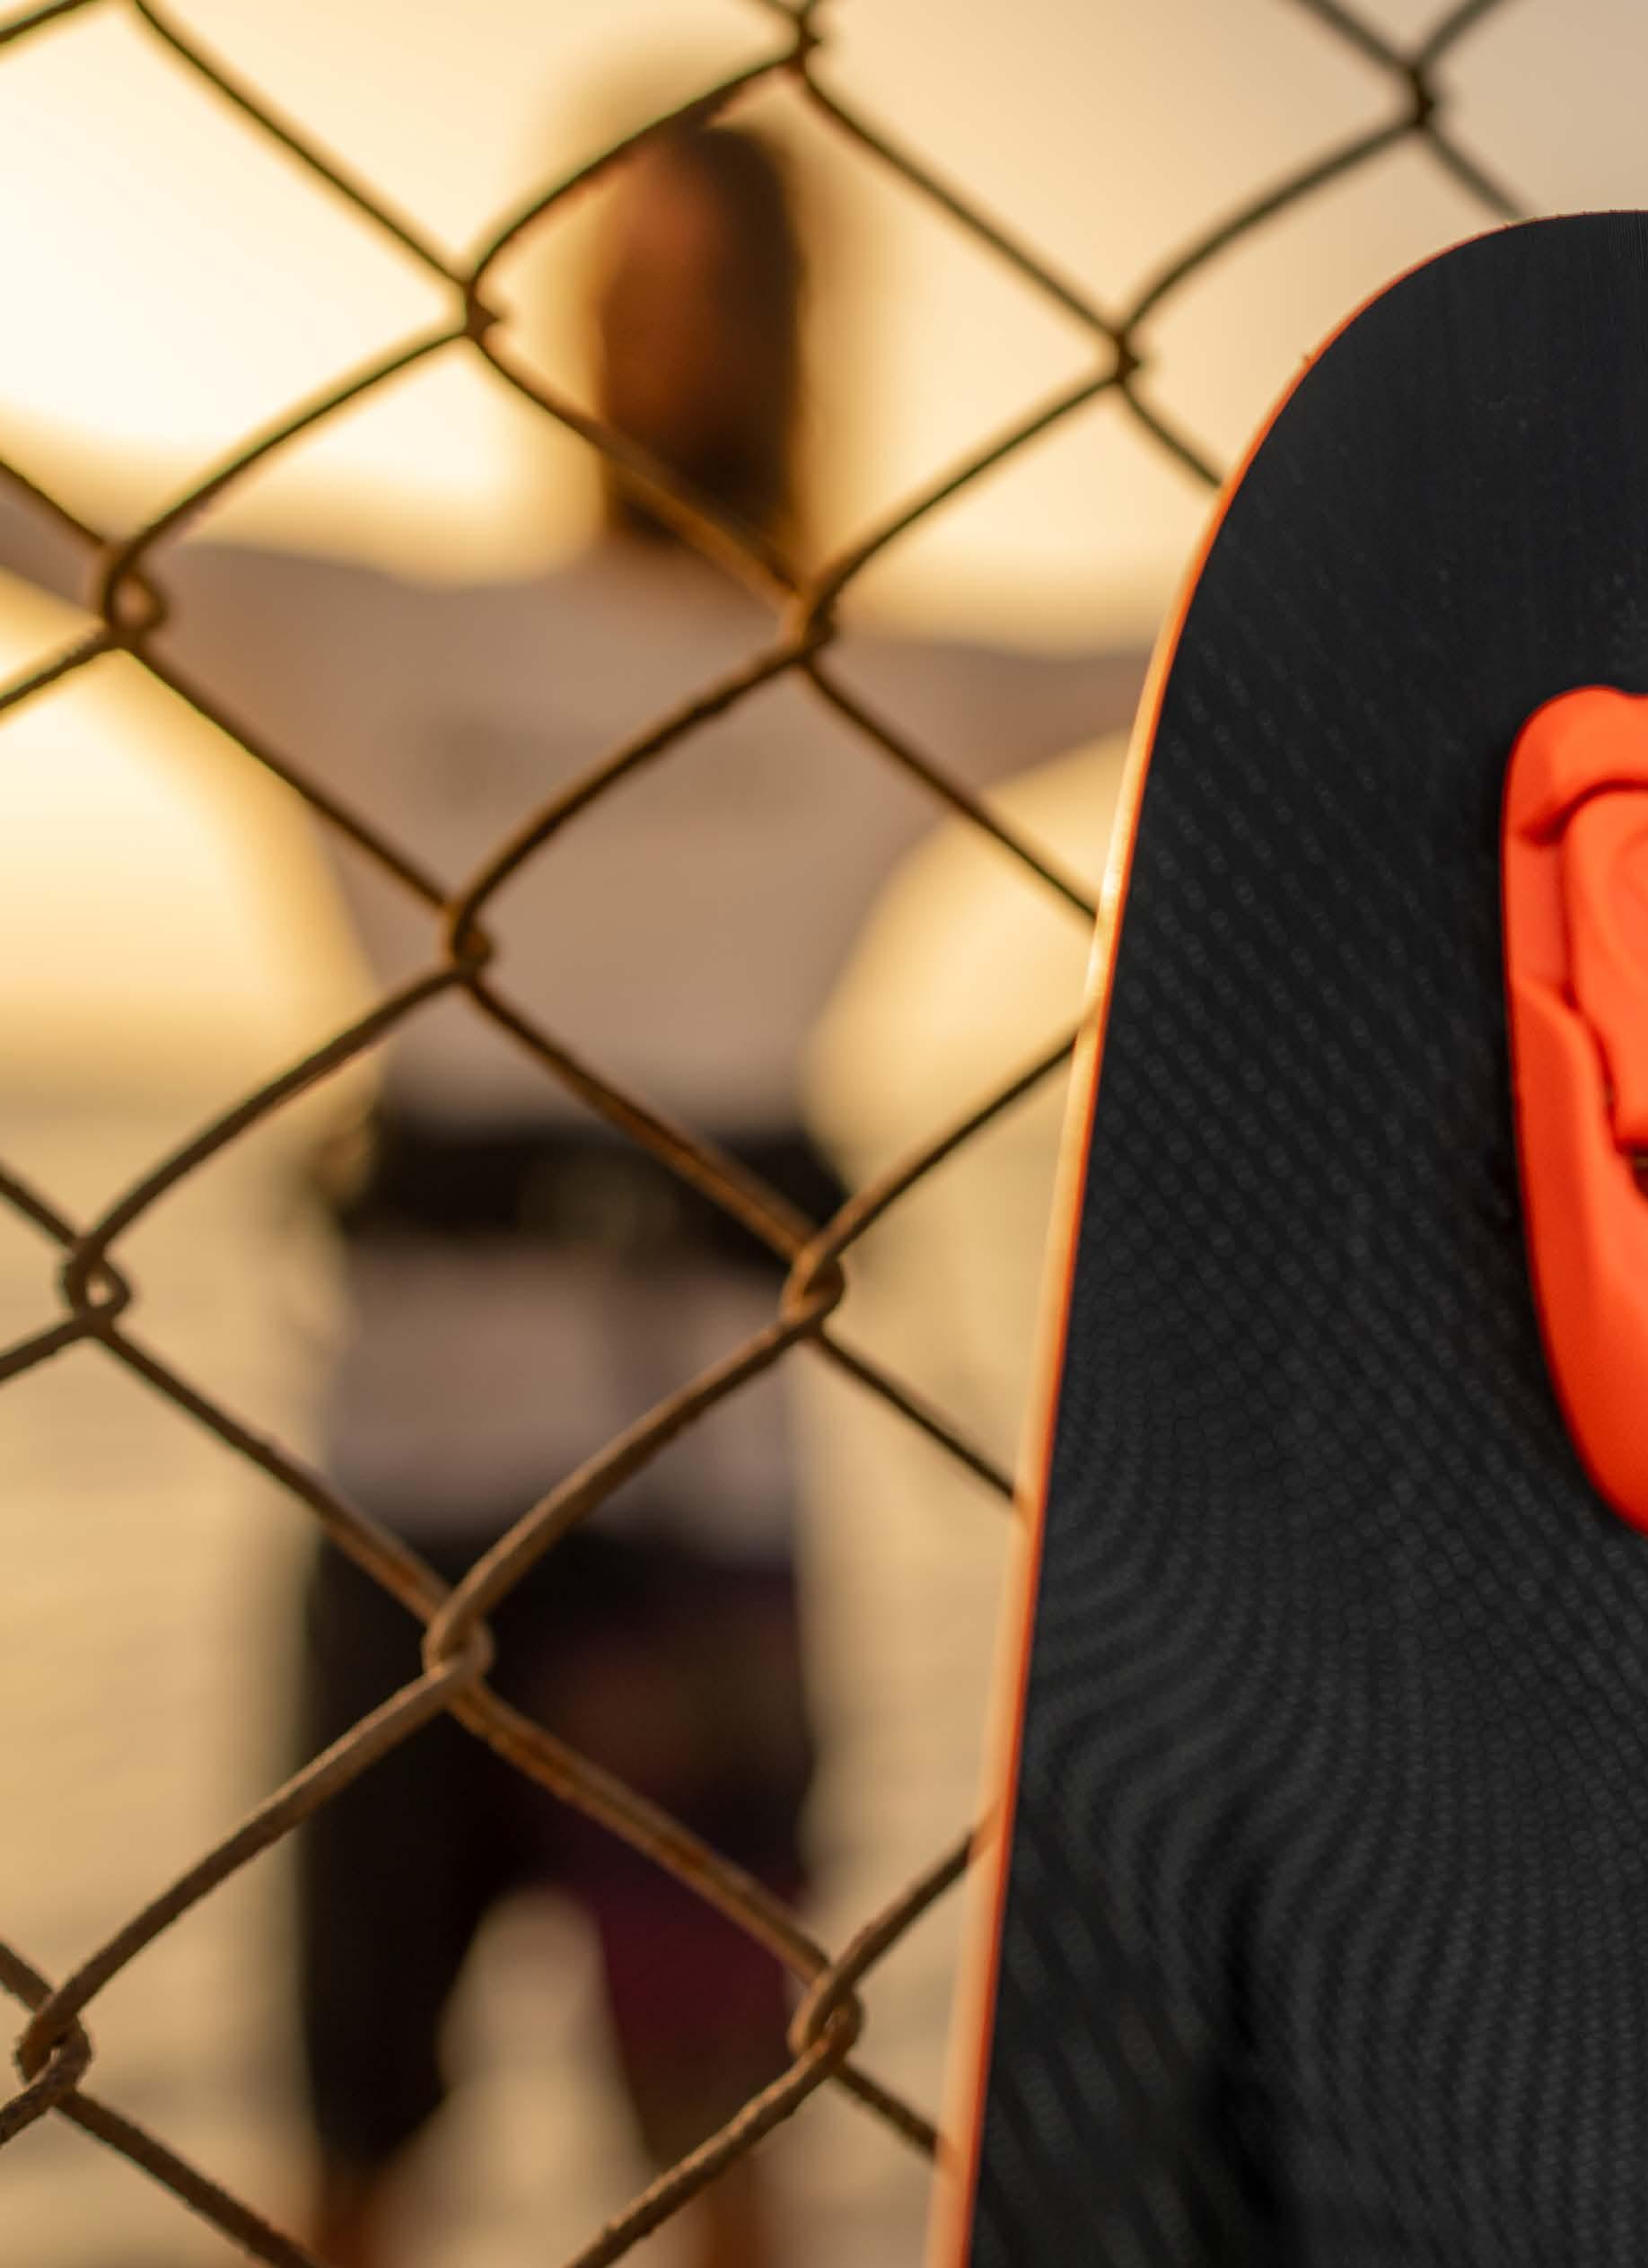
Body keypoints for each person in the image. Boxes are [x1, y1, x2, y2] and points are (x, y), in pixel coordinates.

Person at [0, 117, 1145, 2268]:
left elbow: (1191, 634)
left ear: (793, 333)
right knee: (348, 2169)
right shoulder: (366, 638)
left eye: (712, 290)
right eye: (623, 287)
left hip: (706, 1527)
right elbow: (55, 533)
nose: (660, 336)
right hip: (398, 1513)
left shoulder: (863, 676)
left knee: (732, 2169)